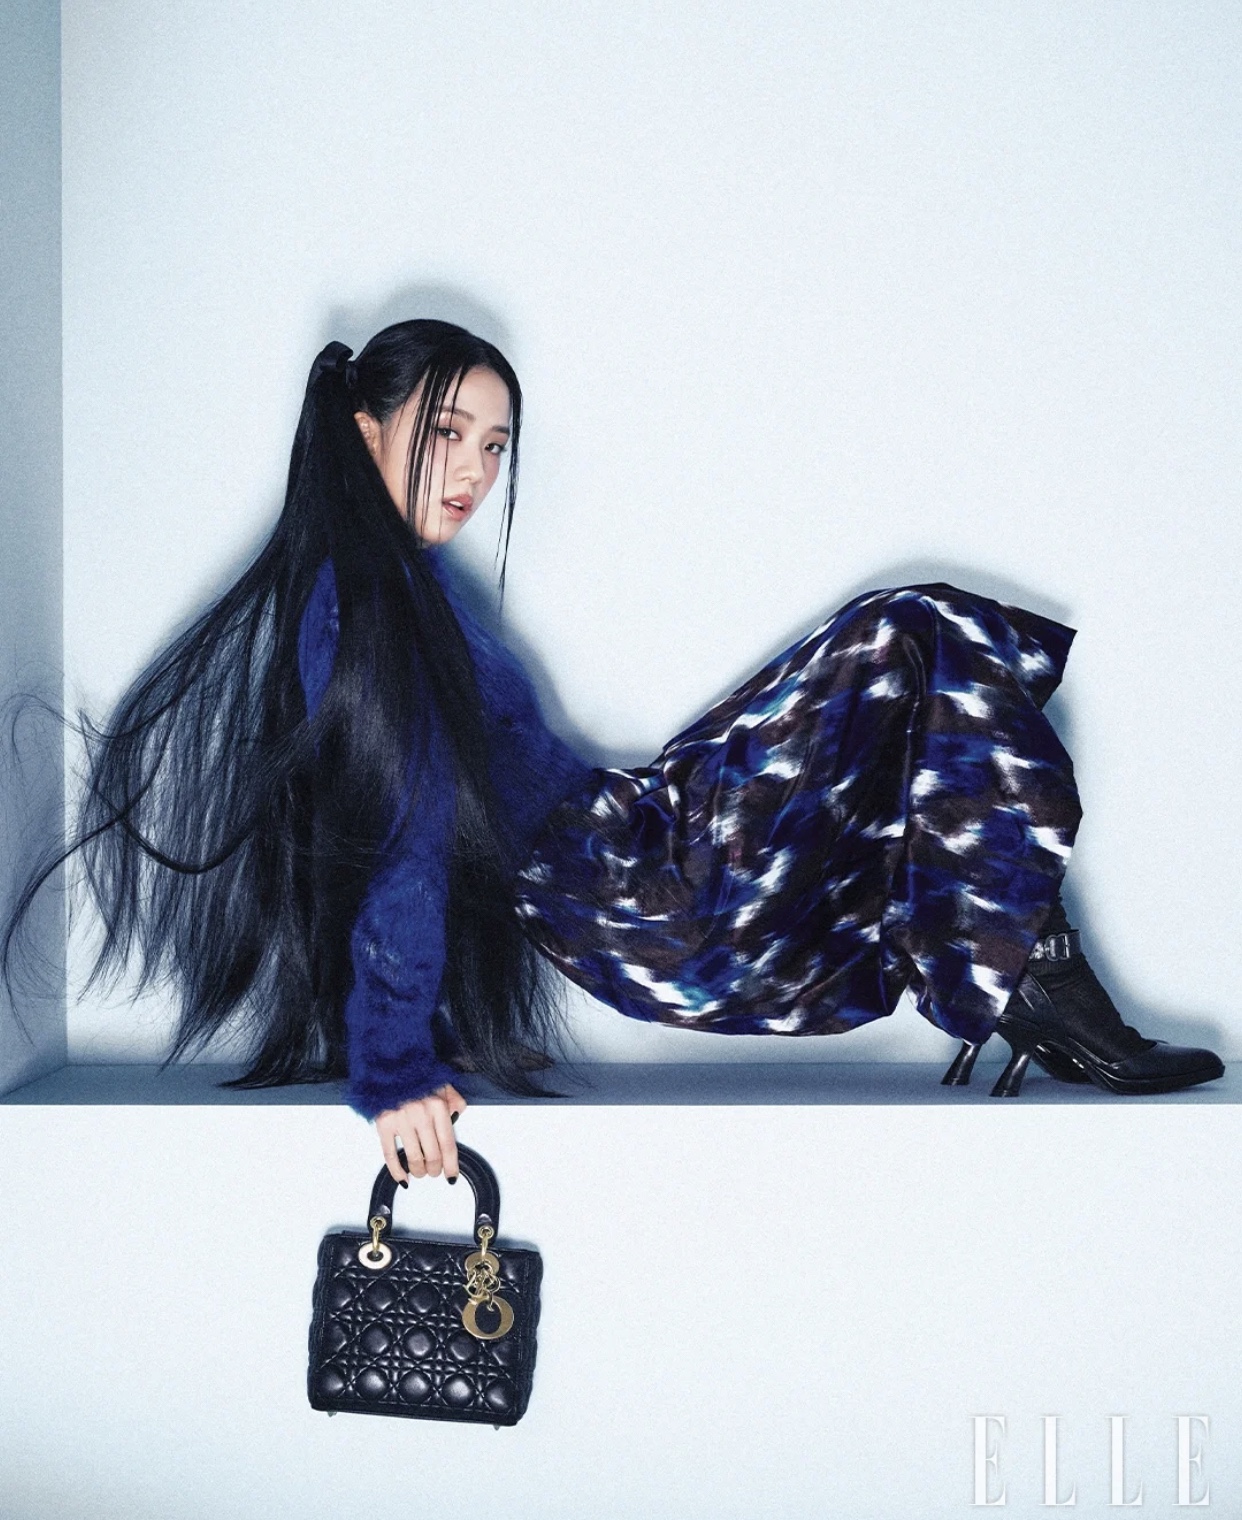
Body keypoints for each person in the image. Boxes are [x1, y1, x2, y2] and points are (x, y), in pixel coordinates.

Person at [7, 318, 1223, 1186]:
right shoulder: (361, 604)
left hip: (634, 837)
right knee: (907, 632)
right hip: (637, 885)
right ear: (366, 430)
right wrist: (392, 1065)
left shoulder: (401, 590)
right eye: (449, 431)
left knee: (913, 640)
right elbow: (406, 832)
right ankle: (1032, 977)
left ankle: (1023, 971)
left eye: (497, 445)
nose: (477, 469)